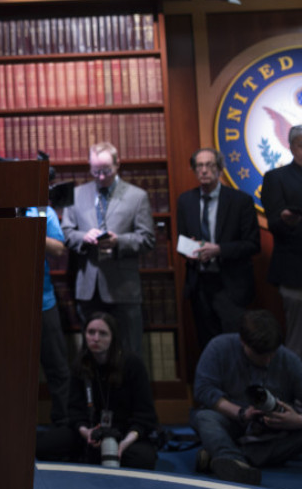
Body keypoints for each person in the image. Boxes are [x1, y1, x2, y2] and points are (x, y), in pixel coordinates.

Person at [61, 141, 155, 356]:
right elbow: (66, 233)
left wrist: (118, 241)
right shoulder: (77, 194)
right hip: (88, 289)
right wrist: (84, 237)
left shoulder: (137, 196)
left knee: (129, 354)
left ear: (117, 164)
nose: (101, 177)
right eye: (96, 171)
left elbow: (148, 239)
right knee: (91, 355)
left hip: (123, 290)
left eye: (106, 170)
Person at [191, 309, 302, 486]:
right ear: (243, 341)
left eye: (272, 354)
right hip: (233, 420)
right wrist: (241, 413)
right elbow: (203, 389)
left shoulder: (289, 360)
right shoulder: (219, 347)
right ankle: (234, 460)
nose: (268, 360)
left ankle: (228, 457)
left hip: (274, 430)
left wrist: (296, 421)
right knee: (205, 417)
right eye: (261, 355)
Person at [35, 311, 159, 469]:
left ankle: (92, 456)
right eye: (91, 332)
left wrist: (123, 444)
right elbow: (74, 411)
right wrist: (86, 432)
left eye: (103, 334)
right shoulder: (80, 364)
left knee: (143, 459)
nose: (95, 338)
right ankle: (92, 453)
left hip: (124, 433)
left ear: (113, 337)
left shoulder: (133, 365)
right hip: (91, 431)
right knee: (43, 446)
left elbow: (145, 415)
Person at [176, 147, 260, 351]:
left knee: (234, 345)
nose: (204, 170)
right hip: (199, 285)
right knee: (208, 346)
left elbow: (253, 244)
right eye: (199, 166)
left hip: (231, 285)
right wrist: (189, 250)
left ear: (220, 169)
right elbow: (181, 241)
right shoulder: (186, 201)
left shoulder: (240, 201)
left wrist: (219, 250)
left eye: (209, 165)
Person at [27, 200, 71, 426]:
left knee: (57, 368)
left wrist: (27, 229)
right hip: (7, 304)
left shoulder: (43, 211)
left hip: (44, 302)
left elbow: (59, 249)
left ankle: (63, 424)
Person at [261, 124, 302, 358]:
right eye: (301, 145)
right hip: (295, 270)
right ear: (291, 147)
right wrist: (288, 221)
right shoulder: (276, 178)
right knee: (298, 342)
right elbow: (274, 224)